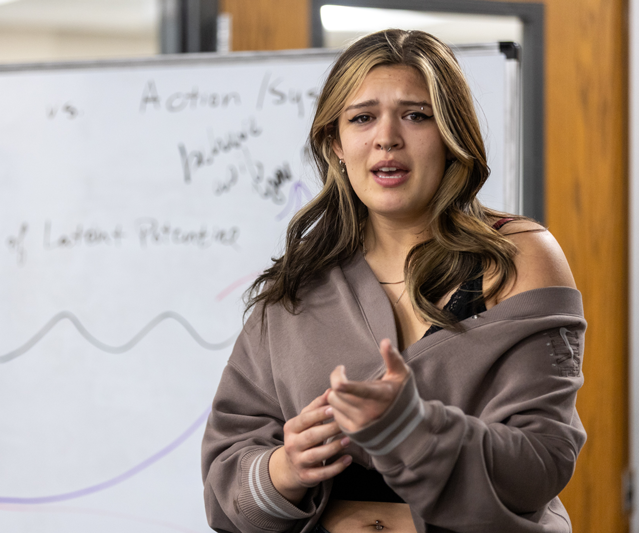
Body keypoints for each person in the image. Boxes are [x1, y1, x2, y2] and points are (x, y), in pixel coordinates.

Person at [201, 29, 585, 533]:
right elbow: (225, 485)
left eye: (416, 115)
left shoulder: (517, 256)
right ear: (336, 144)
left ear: (451, 134)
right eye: (362, 117)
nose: (387, 137)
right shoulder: (297, 285)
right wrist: (285, 469)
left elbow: (541, 464)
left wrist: (414, 430)